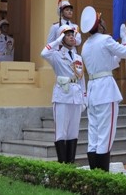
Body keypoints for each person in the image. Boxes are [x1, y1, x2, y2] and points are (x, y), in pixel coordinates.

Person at [79, 6, 126, 172]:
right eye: (101, 21)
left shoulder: (86, 45)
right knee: (106, 135)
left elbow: (110, 63)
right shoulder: (106, 39)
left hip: (93, 90)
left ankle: (95, 174)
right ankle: (103, 175)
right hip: (105, 91)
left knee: (93, 133)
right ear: (99, 25)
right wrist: (124, 37)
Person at [40, 24, 86, 164]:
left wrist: (85, 98)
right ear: (62, 38)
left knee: (73, 132)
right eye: (67, 35)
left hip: (76, 96)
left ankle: (70, 163)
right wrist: (57, 40)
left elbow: (82, 78)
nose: (72, 37)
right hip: (62, 96)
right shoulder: (56, 55)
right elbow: (43, 53)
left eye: (73, 34)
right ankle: (62, 165)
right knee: (61, 132)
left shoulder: (78, 57)